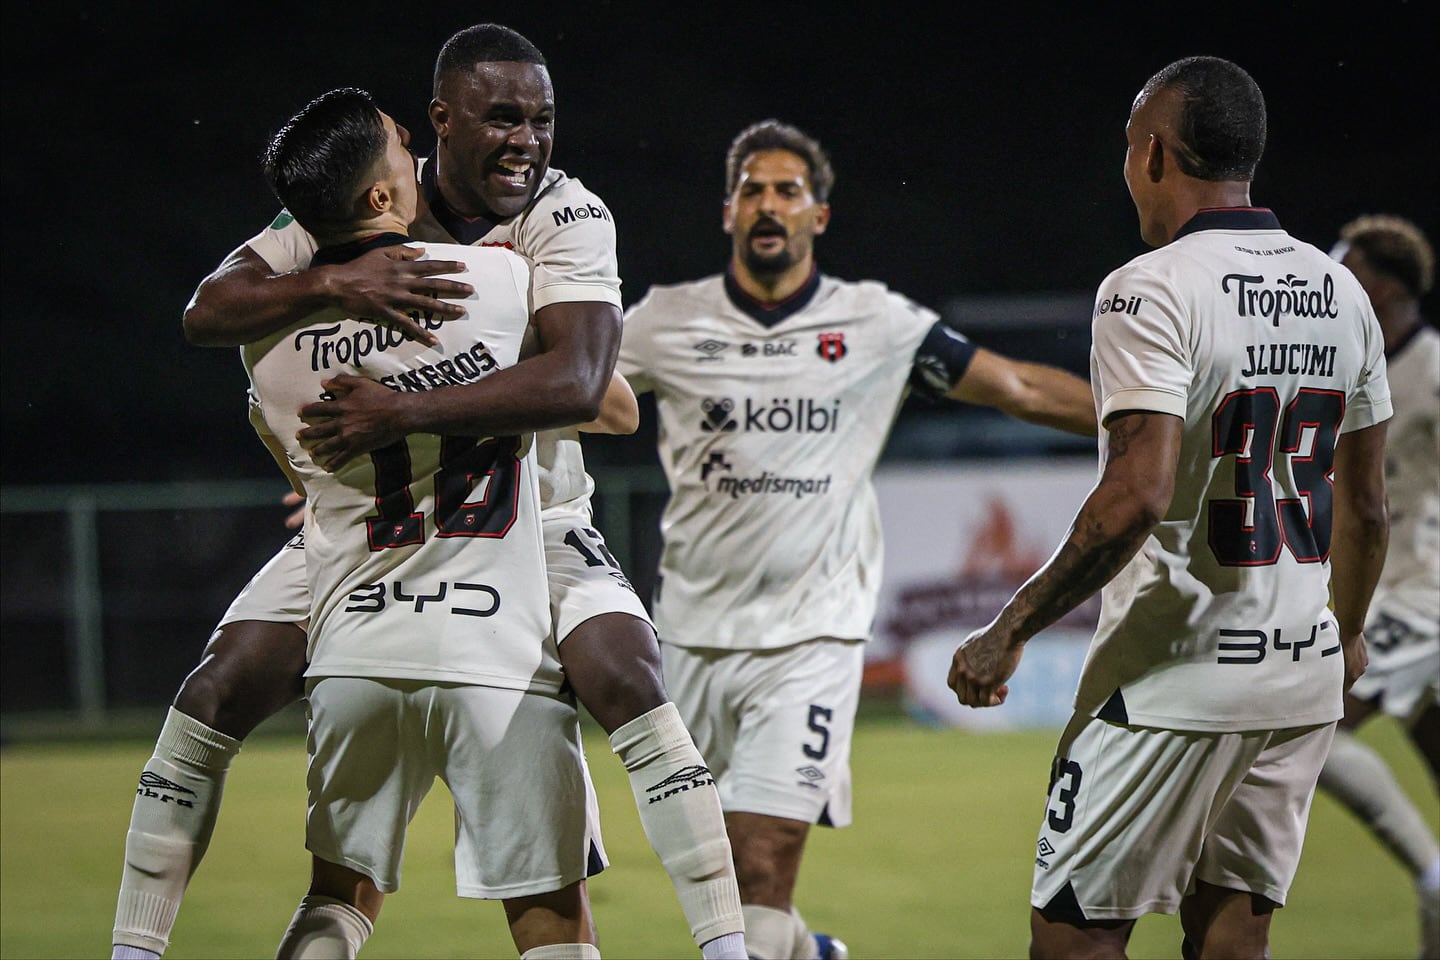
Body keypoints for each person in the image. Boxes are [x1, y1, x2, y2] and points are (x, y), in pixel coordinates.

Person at [111, 24, 745, 960]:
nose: (527, 141)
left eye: (542, 119)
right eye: (503, 119)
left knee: (625, 676)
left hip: (533, 514)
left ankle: (728, 944)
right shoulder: (363, 212)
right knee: (218, 688)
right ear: (440, 123)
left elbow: (592, 393)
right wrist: (342, 282)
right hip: (379, 524)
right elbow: (207, 306)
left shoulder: (564, 210)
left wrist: (396, 410)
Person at [614, 119, 1098, 960]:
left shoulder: (875, 323)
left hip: (814, 635)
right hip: (691, 635)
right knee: (717, 879)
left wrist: (1154, 424)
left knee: (762, 867)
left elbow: (1016, 387)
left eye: (788, 190)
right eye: (753, 191)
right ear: (728, 212)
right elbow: (567, 394)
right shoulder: (666, 321)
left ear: (819, 216)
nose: (770, 205)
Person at [947, 56, 1392, 960]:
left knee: (1074, 940)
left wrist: (1009, 628)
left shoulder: (1149, 286)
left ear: (1153, 153)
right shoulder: (1341, 292)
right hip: (1299, 676)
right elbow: (1368, 509)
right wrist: (1345, 635)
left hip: (1171, 682)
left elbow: (1135, 496)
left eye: (1127, 146)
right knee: (1234, 942)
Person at [245, 85, 603, 958]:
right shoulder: (501, 278)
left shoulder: (265, 341)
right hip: (494, 649)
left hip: (357, 655)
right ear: (381, 191)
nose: (415, 156)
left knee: (335, 899)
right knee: (552, 917)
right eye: (402, 144)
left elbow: (215, 326)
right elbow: (605, 399)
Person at [1322, 213, 1439, 960]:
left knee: (1308, 726)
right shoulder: (1351, 367)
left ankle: (1432, 877)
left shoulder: (1432, 368)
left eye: (1349, 268)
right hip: (1389, 590)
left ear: (1387, 288)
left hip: (1424, 595)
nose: (1333, 279)